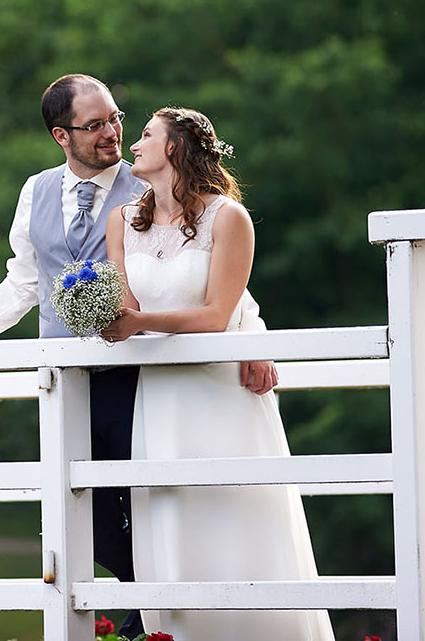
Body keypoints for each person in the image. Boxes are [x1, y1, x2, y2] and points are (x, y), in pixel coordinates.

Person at [0, 75, 277, 636]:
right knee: (82, 515)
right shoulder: (35, 192)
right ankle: (150, 604)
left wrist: (253, 339)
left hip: (139, 376)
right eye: (95, 125)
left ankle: (161, 618)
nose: (113, 133)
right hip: (65, 378)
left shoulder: (155, 181)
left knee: (153, 503)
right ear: (62, 135)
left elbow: (207, 278)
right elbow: (24, 284)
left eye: (116, 118)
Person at [103, 106, 333, 640]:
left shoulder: (228, 218)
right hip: (158, 395)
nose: (134, 144)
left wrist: (139, 323)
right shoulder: (123, 222)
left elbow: (216, 314)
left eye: (145, 136)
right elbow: (125, 305)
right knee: (170, 517)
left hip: (218, 390)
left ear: (175, 149)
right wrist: (105, 316)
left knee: (235, 515)